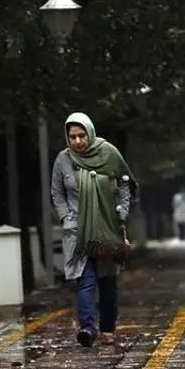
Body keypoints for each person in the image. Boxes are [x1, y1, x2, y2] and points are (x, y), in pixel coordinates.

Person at [51, 112, 136, 347]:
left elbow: (124, 185)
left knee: (107, 279)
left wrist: (121, 215)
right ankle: (87, 328)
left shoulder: (108, 153)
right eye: (72, 137)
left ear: (90, 133)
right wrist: (66, 217)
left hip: (107, 225)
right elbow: (57, 193)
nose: (77, 141)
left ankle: (108, 327)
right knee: (85, 279)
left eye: (81, 136)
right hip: (77, 230)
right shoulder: (63, 160)